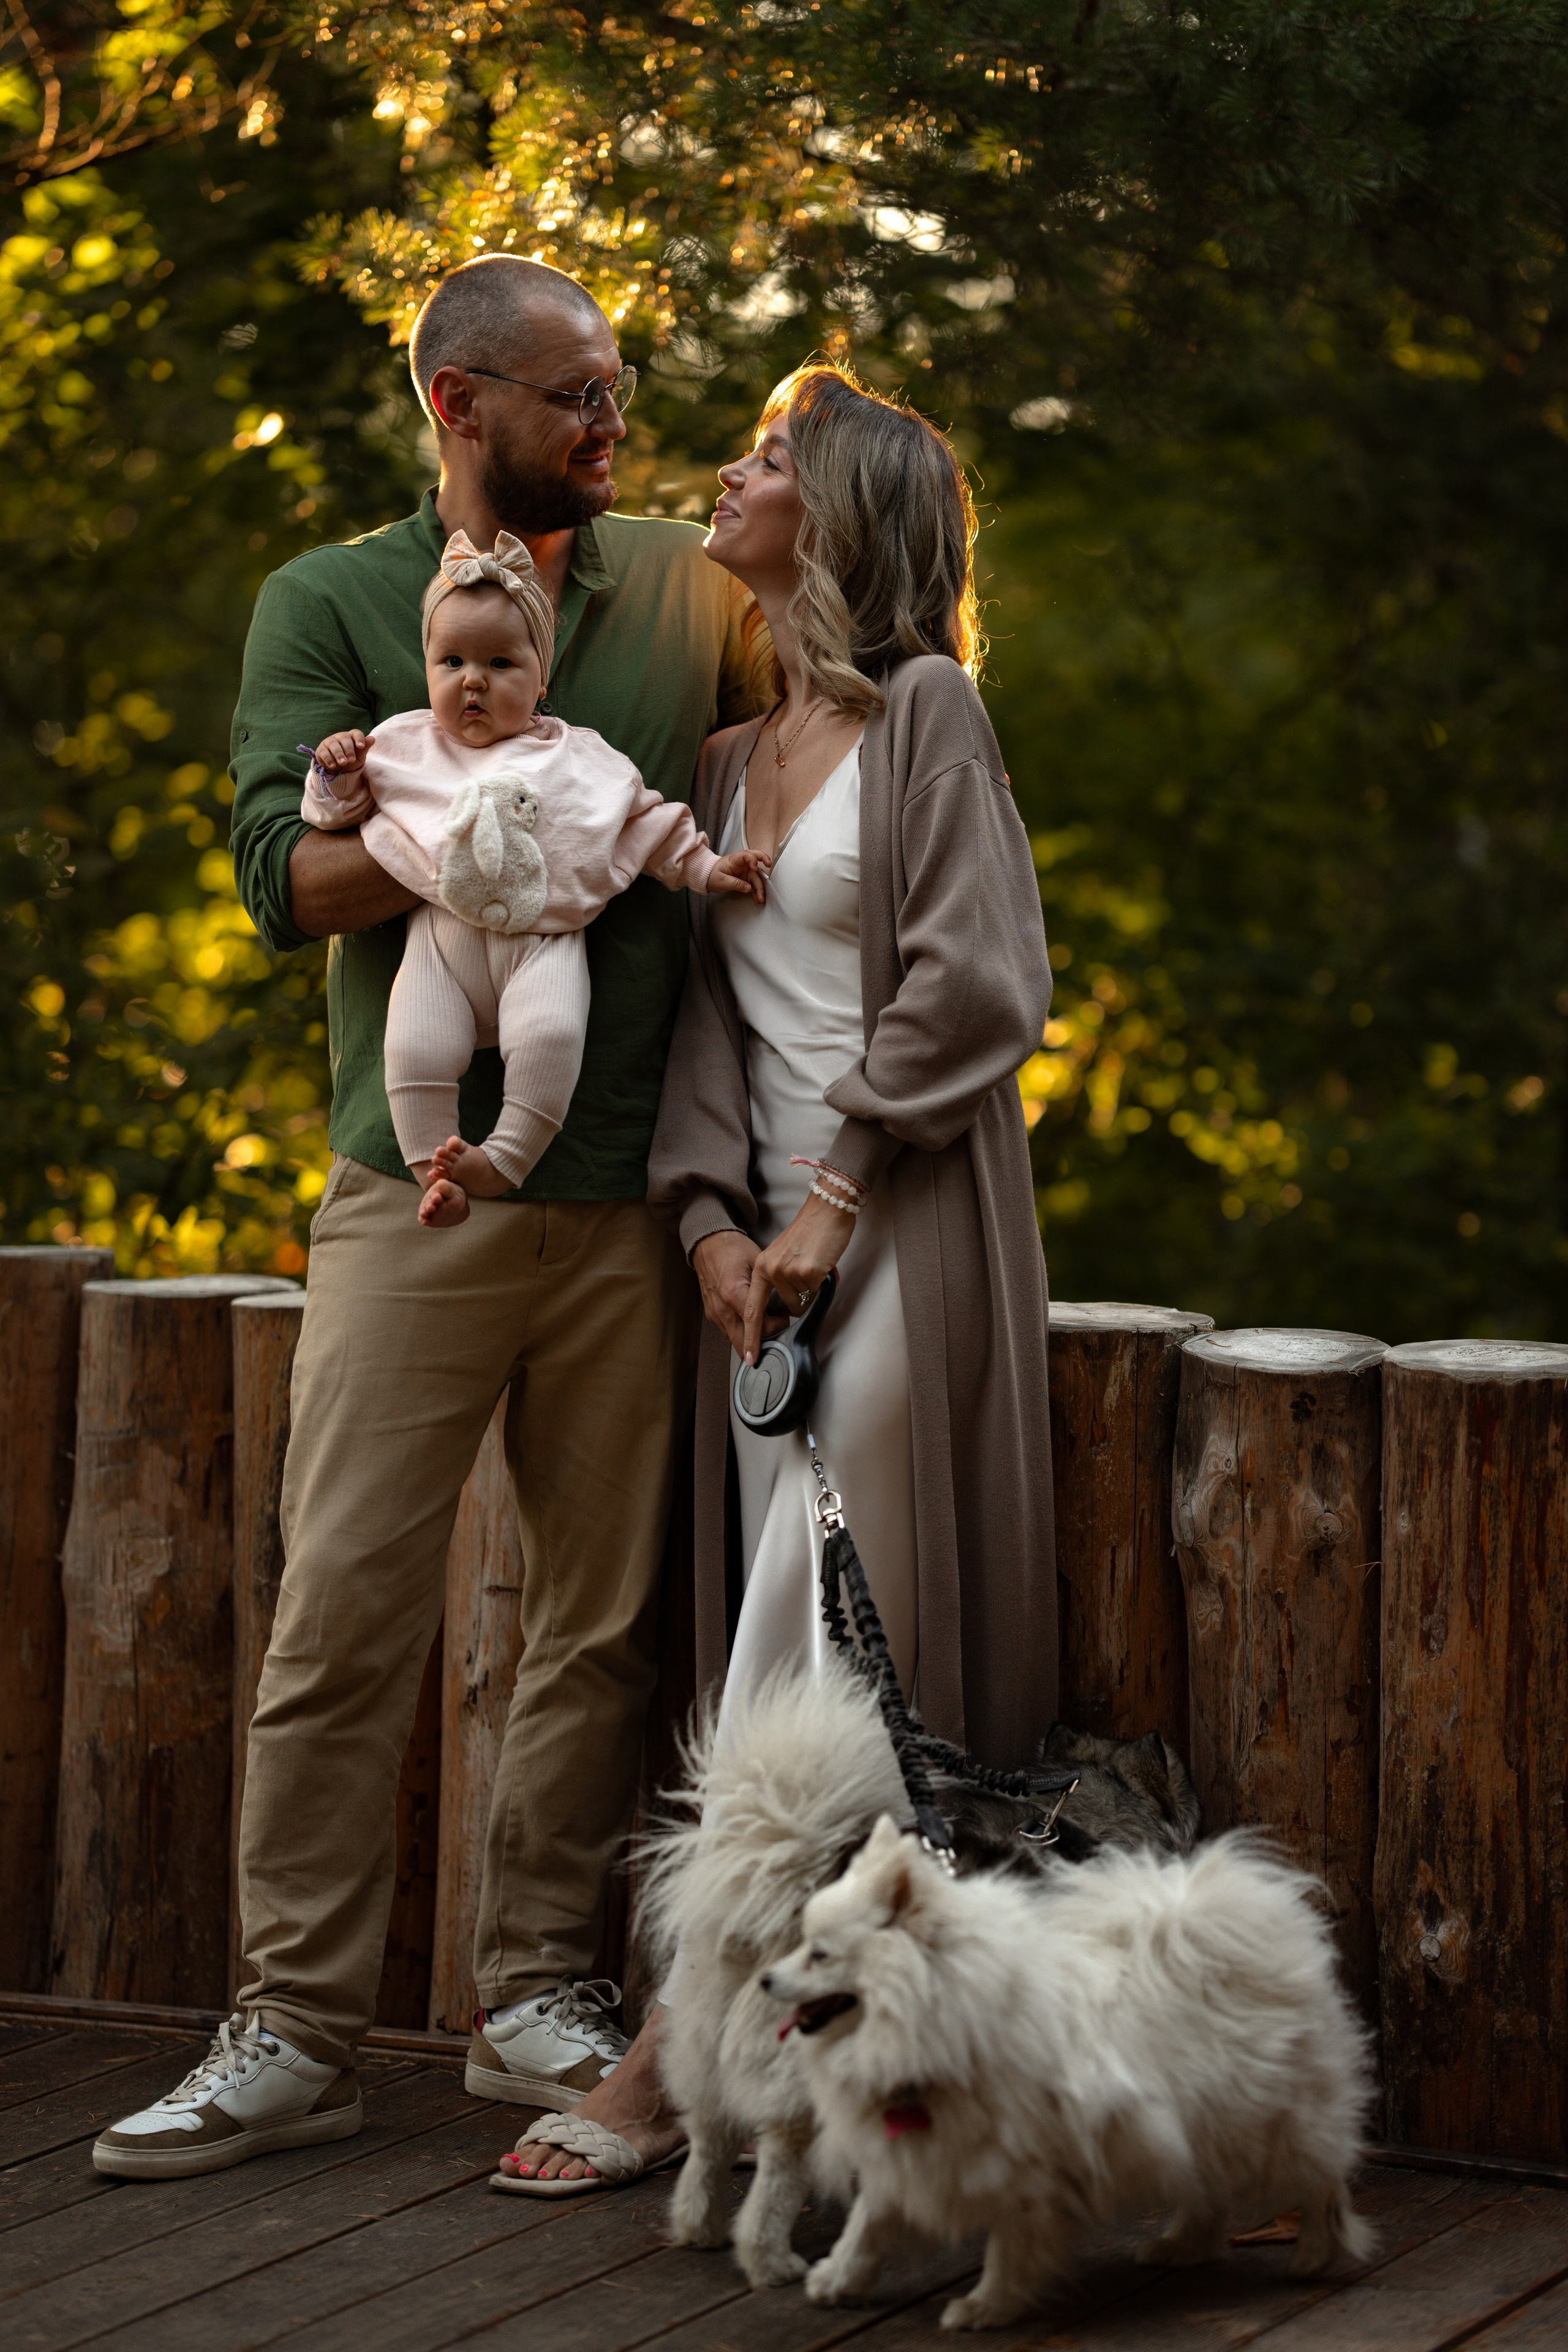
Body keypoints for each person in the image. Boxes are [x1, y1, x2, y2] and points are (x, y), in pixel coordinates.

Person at [91, 254, 760, 2182]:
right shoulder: (326, 601)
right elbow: (277, 882)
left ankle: (533, 1994)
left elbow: (833, 725)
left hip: (633, 1196)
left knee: (598, 1628)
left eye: (619, 389)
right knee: (342, 1616)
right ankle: (292, 2028)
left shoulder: (689, 590)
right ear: (462, 404)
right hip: (415, 1192)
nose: (615, 426)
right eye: (579, 396)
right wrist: (478, 822)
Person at [495, 363, 1057, 2195]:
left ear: (842, 509)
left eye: (764, 455)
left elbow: (977, 978)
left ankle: (674, 2049)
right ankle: (820, 2071)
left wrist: (830, 1197)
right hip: (762, 1264)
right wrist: (709, 1226)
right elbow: (709, 1030)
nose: (724, 477)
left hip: (905, 1223)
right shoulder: (728, 762)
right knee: (788, 1615)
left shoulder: (930, 715)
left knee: (827, 1633)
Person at [302, 530, 766, 1223]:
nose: (473, 681)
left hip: (543, 944)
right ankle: (434, 1173)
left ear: (540, 679)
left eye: (500, 663)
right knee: (414, 1046)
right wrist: (334, 772)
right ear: (426, 667)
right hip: (440, 947)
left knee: (550, 1038)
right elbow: (331, 815)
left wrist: (707, 866)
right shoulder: (401, 746)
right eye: (452, 661)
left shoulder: (579, 758)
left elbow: (646, 823)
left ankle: (503, 1162)